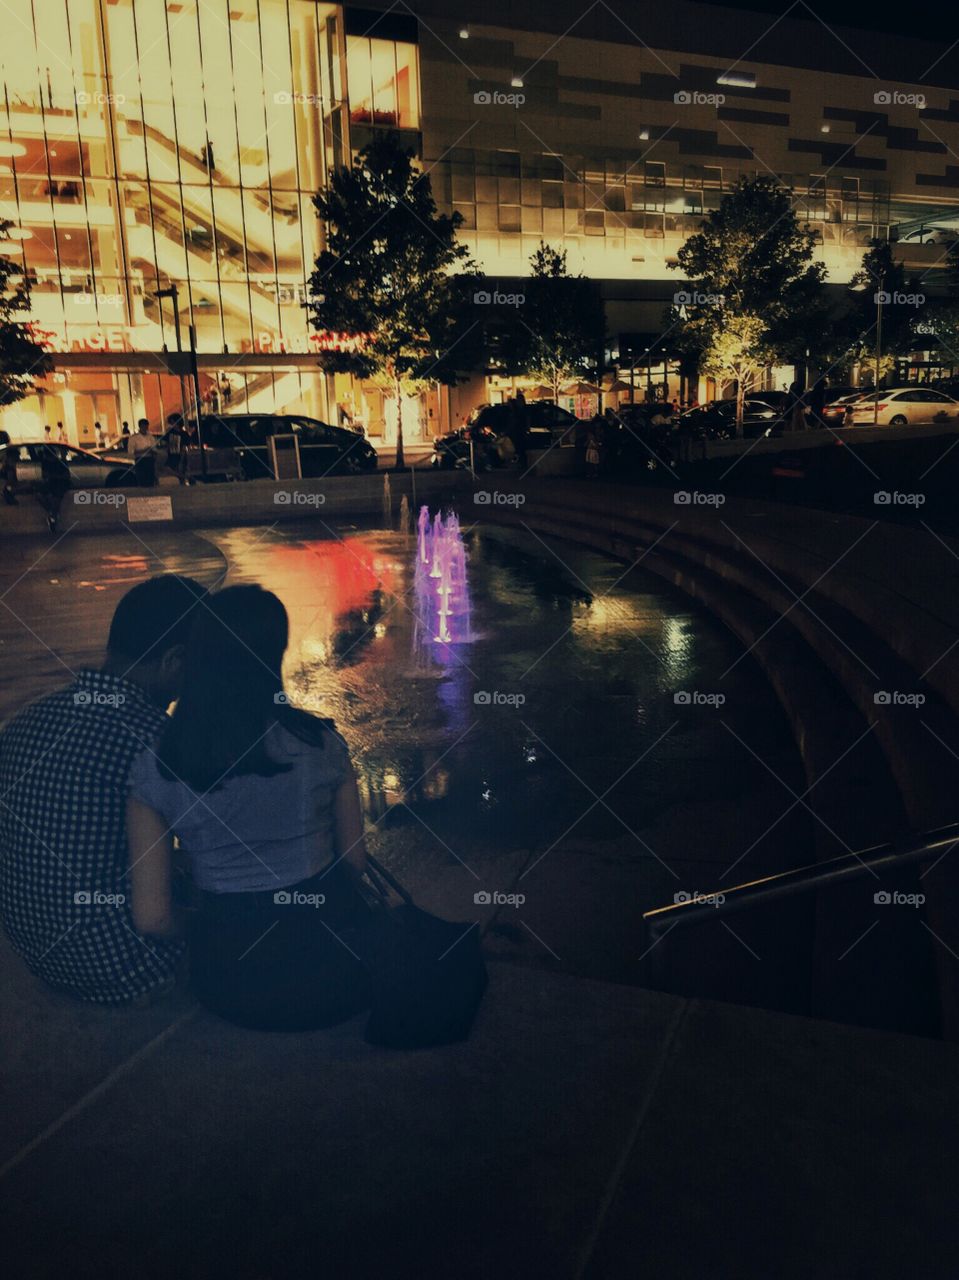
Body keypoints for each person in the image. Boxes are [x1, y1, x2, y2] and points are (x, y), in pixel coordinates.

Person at [126, 585, 372, 1031]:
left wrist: (220, 927)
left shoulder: (158, 764)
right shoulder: (321, 744)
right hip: (335, 975)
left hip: (228, 986)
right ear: (274, 655)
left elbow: (153, 917)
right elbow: (353, 864)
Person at [0, 575, 207, 1005]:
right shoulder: (156, 737)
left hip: (37, 954)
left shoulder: (27, 719)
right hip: (123, 966)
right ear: (175, 659)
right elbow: (216, 848)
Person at [128, 417, 157, 486]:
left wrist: (153, 453)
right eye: (143, 426)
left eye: (146, 426)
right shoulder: (134, 438)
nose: (145, 428)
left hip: (150, 459)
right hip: (140, 460)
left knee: (150, 479)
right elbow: (131, 452)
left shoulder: (151, 437)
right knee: (142, 479)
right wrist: (144, 450)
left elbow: (154, 449)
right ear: (140, 426)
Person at [1, 429, 17, 505]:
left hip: (5, 469)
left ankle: (7, 493)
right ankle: (8, 494)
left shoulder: (6, 448)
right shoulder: (9, 448)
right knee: (9, 483)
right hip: (7, 469)